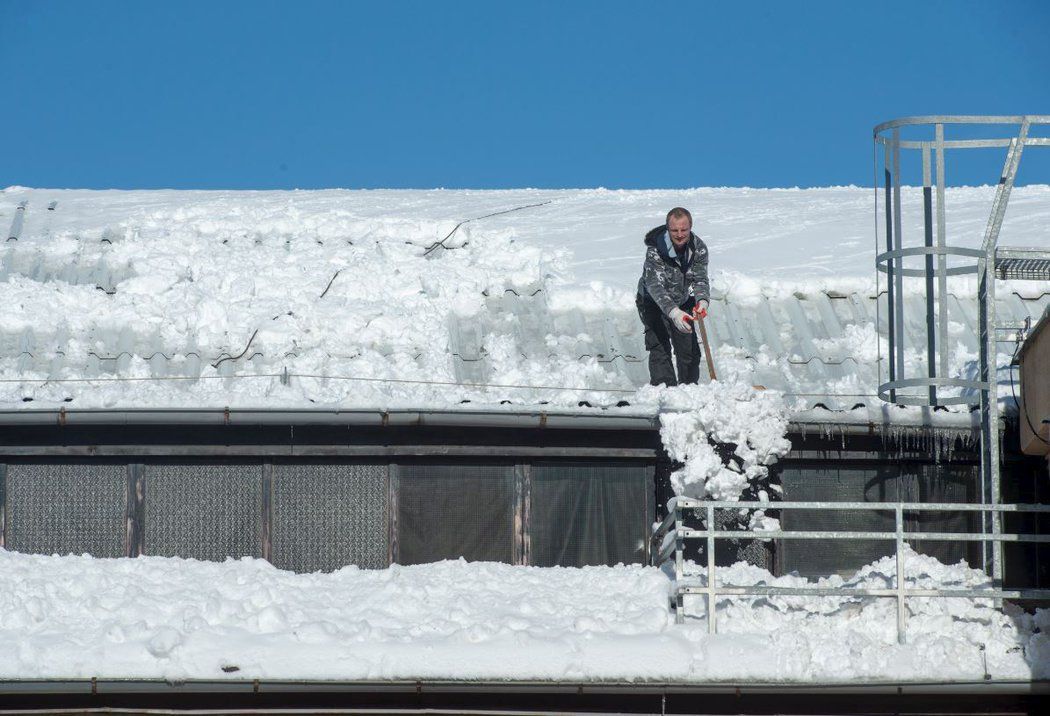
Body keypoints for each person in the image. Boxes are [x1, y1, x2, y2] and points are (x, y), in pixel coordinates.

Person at [635, 207, 710, 386]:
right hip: (653, 302)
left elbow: (700, 278)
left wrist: (702, 301)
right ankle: (666, 393)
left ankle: (689, 390)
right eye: (674, 230)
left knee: (688, 350)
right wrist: (674, 313)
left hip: (682, 300)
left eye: (683, 230)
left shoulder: (699, 249)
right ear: (668, 229)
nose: (679, 234)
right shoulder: (655, 249)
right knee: (659, 347)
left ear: (690, 228)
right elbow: (655, 286)